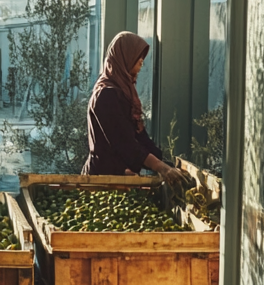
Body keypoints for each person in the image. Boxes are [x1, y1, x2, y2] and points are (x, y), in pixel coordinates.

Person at [81, 31, 188, 185]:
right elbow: (125, 143)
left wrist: (165, 163)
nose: (141, 64)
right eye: (138, 59)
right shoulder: (106, 95)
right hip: (102, 180)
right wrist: (160, 167)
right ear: (124, 58)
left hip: (120, 179)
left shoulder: (124, 92)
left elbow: (139, 137)